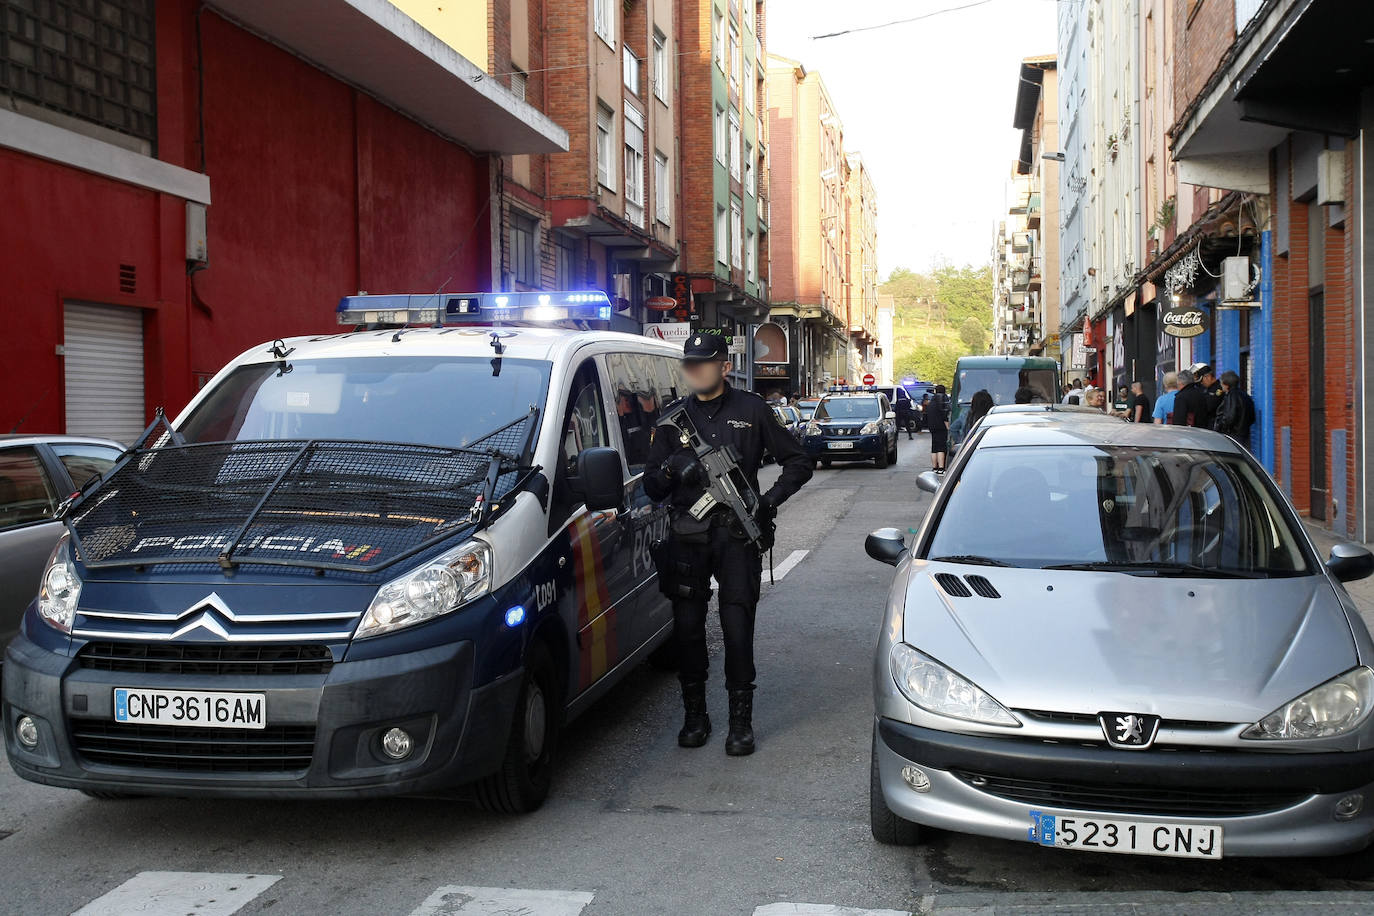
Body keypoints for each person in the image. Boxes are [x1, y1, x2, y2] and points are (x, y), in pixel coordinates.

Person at [643, 332, 812, 756]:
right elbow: (651, 486)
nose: (696, 370)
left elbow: (799, 462)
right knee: (687, 630)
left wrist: (768, 502)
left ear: (723, 365)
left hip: (737, 536)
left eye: (704, 362)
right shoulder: (671, 419)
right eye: (690, 363)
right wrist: (671, 470)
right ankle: (695, 717)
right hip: (688, 536)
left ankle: (741, 723)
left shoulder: (752, 410)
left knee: (737, 628)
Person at [1214, 370, 1256, 444]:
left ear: (1226, 385)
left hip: (1233, 435)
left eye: (1222, 384)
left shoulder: (1231, 396)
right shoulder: (1245, 395)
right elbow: (1252, 417)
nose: (1221, 386)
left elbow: (1229, 417)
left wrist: (1221, 428)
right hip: (1244, 434)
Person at [927, 384, 951, 473]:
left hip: (932, 426)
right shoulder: (943, 399)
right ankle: (941, 468)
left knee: (934, 447)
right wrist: (948, 426)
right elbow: (945, 415)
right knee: (941, 447)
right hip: (941, 426)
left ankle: (934, 468)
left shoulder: (931, 401)